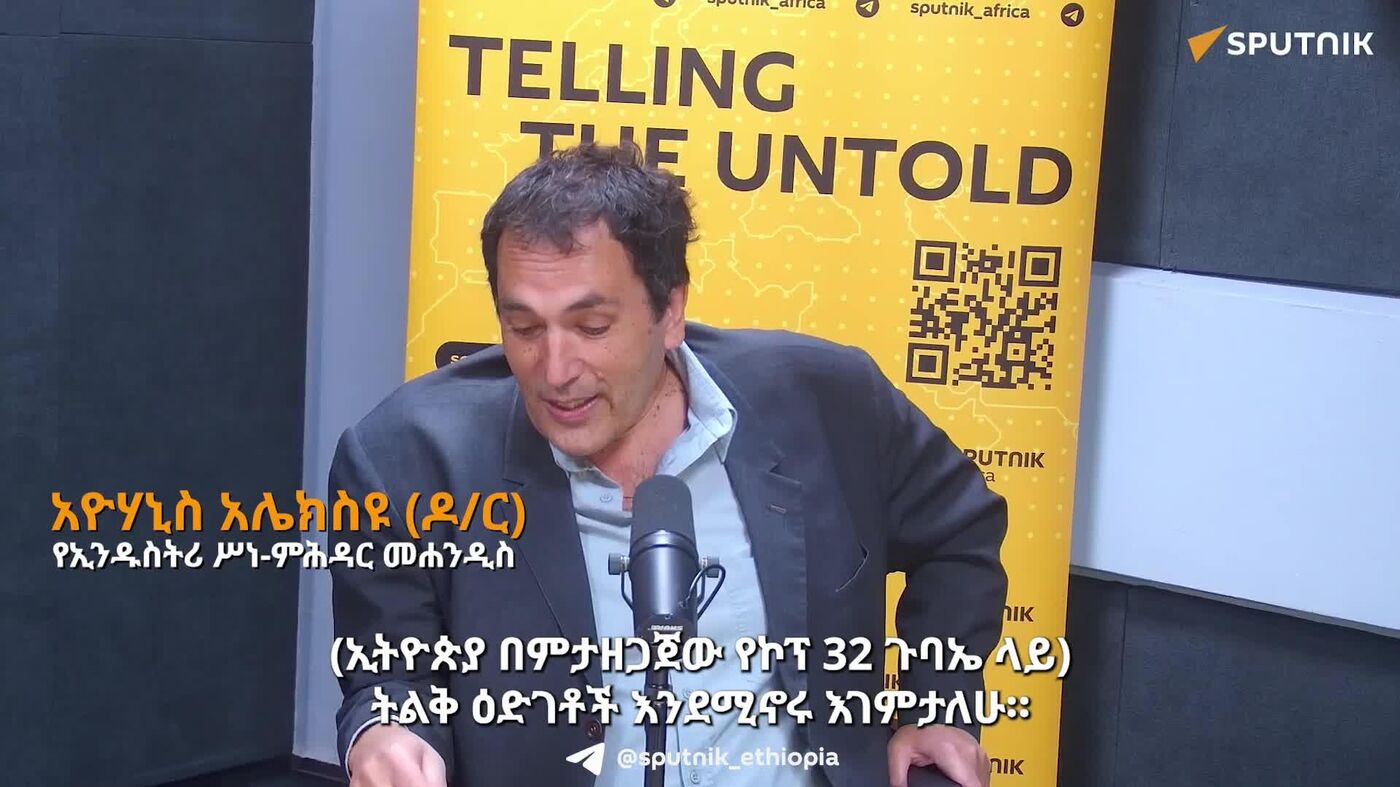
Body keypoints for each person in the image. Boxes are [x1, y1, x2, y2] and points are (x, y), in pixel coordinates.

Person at [329, 143, 1007, 787]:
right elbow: (389, 673)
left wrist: (938, 703)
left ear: (671, 309)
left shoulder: (826, 400)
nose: (555, 370)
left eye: (592, 327)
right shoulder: (408, 458)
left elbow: (958, 531)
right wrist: (385, 731)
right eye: (525, 328)